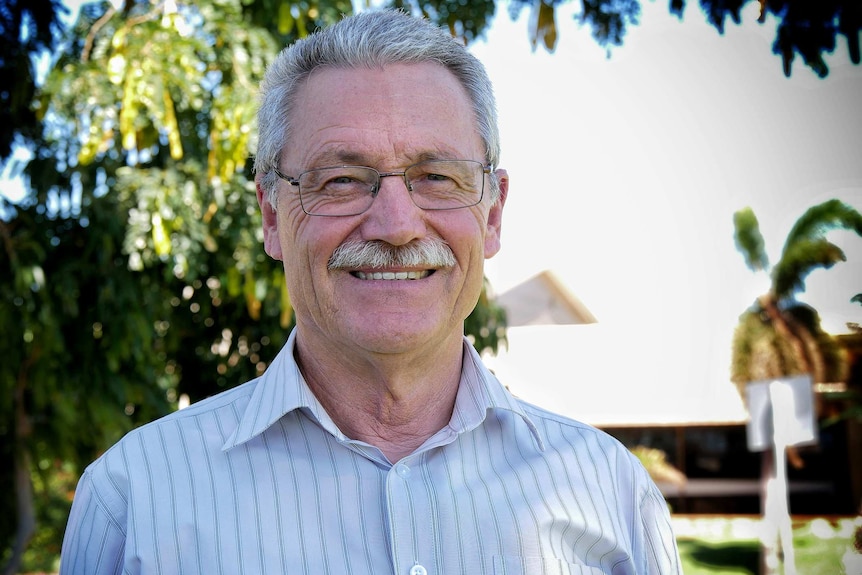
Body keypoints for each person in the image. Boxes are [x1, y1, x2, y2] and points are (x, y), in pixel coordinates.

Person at [60, 10, 681, 574]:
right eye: (341, 180)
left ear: (493, 214)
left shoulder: (612, 496)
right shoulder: (132, 501)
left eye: (437, 177)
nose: (396, 225)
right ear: (272, 216)